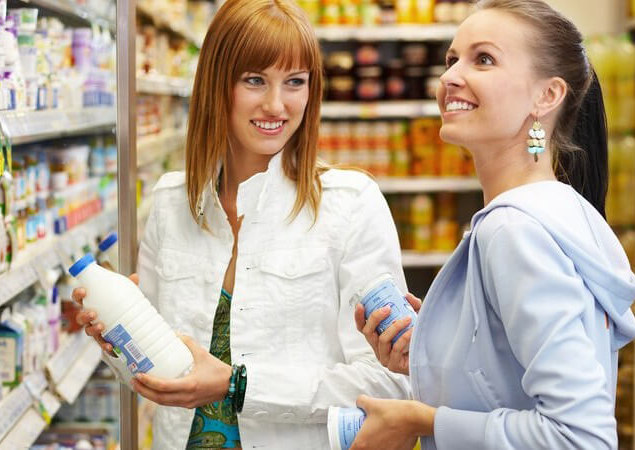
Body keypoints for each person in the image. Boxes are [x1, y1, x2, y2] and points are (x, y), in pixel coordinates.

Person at [74, 0, 410, 448]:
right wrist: (115, 339)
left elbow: (389, 382)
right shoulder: (172, 203)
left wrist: (239, 385)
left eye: (294, 82)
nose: (276, 104)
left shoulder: (350, 205)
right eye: (255, 80)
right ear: (218, 83)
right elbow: (157, 369)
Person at [352, 0, 635, 449]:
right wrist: (437, 350)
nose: (449, 77)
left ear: (547, 96)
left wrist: (420, 418)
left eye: (483, 59)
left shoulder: (514, 232)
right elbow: (519, 389)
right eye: (452, 59)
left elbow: (579, 437)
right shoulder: (561, 210)